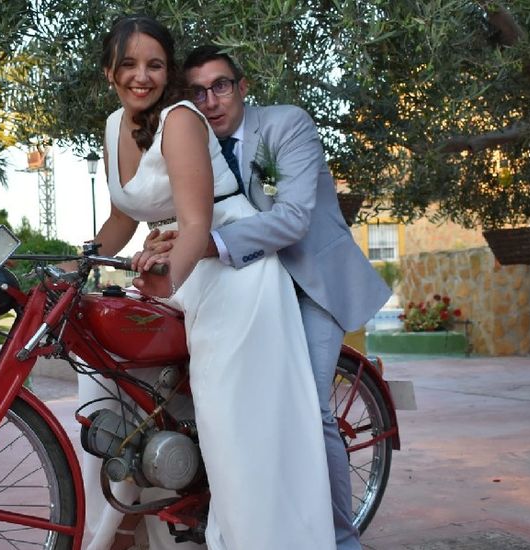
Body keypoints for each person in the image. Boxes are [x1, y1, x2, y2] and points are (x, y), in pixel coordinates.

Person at [79, 15, 337, 550]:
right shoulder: (111, 127)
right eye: (128, 64)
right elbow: (124, 219)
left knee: (231, 434)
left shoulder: (179, 120)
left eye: (154, 64)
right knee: (117, 385)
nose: (141, 76)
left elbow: (197, 224)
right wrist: (75, 263)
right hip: (178, 269)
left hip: (231, 277)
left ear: (168, 71)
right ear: (109, 72)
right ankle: (134, 518)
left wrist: (166, 280)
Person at [139, 46, 392, 550]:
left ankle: (340, 539)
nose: (210, 101)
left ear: (243, 86)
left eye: (221, 86)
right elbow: (191, 216)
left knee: (310, 410)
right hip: (245, 282)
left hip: (308, 283)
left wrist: (204, 243)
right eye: (197, 91)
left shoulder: (286, 125)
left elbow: (295, 218)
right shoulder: (191, 141)